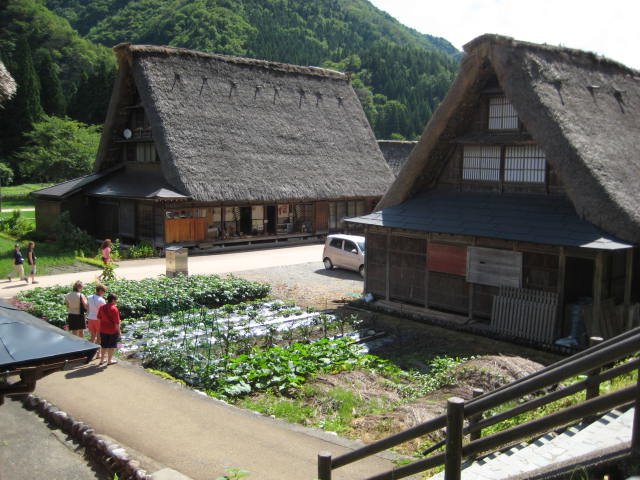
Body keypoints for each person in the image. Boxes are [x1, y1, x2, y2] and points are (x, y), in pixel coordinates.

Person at [98, 293, 121, 366]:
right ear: (113, 300)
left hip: (103, 329)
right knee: (111, 346)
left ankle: (102, 360)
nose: (116, 301)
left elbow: (99, 317)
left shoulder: (101, 307)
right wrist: (119, 332)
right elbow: (117, 323)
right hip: (112, 330)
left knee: (103, 345)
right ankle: (109, 361)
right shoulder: (114, 309)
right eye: (116, 300)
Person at [87, 284, 107, 357]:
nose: (104, 293)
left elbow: (87, 307)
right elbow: (105, 311)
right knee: (99, 337)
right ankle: (98, 353)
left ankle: (90, 353)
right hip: (98, 320)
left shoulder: (89, 297)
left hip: (90, 318)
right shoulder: (101, 300)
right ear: (100, 291)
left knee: (92, 336)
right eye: (104, 291)